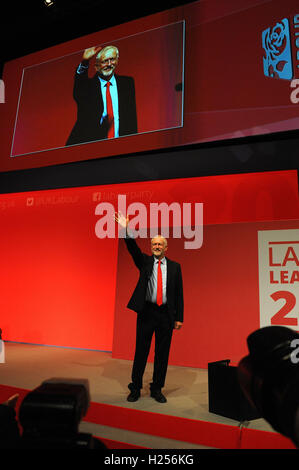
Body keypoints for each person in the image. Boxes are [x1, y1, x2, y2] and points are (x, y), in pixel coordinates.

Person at [115, 212, 184, 403]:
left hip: (166, 315)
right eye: (154, 244)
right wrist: (126, 229)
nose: (157, 247)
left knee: (162, 354)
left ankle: (157, 389)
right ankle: (135, 388)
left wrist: (179, 318)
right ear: (151, 247)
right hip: (147, 313)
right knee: (141, 352)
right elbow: (132, 248)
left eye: (160, 244)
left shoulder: (175, 267)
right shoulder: (144, 262)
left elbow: (179, 294)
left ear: (166, 247)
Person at [66, 45, 137, 146]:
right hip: (90, 147)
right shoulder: (87, 87)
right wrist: (85, 62)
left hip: (120, 146)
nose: (109, 64)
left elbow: (131, 119)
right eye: (104, 61)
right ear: (96, 66)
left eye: (112, 59)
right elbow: (79, 86)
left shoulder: (127, 83)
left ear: (117, 60)